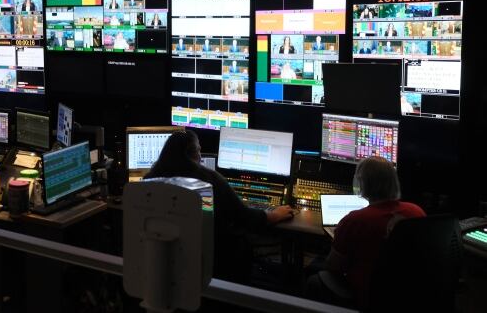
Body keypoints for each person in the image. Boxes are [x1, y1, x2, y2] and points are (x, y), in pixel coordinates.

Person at [145, 131, 294, 281]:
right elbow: (244, 217)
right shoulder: (210, 180)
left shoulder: (149, 181)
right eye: (198, 150)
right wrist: (275, 215)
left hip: (162, 259)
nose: (201, 156)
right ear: (192, 153)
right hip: (214, 260)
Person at [324, 157, 425, 308]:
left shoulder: (354, 220)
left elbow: (333, 266)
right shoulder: (416, 212)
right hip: (410, 294)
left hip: (365, 295)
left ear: (362, 183)